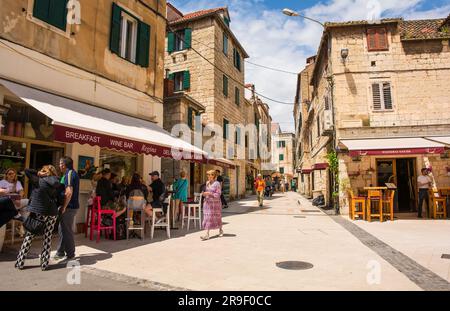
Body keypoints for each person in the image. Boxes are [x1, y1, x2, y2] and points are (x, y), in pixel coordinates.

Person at [15, 165, 60, 270]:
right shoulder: (57, 183)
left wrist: (39, 173)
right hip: (52, 212)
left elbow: (27, 170)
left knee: (30, 236)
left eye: (42, 170)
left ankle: (20, 262)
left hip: (40, 212)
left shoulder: (39, 180)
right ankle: (44, 264)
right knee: (47, 237)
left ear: (45, 172)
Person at [54, 156, 80, 261]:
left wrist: (64, 206)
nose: (59, 165)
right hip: (69, 206)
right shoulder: (68, 174)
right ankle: (60, 252)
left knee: (67, 231)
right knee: (62, 229)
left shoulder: (69, 174)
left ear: (64, 165)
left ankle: (70, 254)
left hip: (69, 207)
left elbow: (69, 192)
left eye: (60, 163)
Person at [0, 168, 29, 236]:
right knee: (9, 201)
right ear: (6, 175)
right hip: (6, 203)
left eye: (13, 173)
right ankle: (19, 219)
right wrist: (10, 194)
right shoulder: (2, 182)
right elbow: (1, 191)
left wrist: (19, 198)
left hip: (16, 202)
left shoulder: (17, 182)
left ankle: (22, 223)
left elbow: (21, 192)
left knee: (28, 202)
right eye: (9, 174)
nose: (11, 175)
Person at [201, 170, 223, 240]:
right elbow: (206, 192)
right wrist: (204, 194)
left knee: (217, 218)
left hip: (215, 204)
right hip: (207, 203)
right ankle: (207, 234)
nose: (209, 176)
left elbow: (218, 194)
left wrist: (209, 194)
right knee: (207, 218)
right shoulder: (207, 183)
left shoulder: (217, 184)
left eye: (211, 175)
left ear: (214, 176)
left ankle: (220, 229)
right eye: (208, 175)